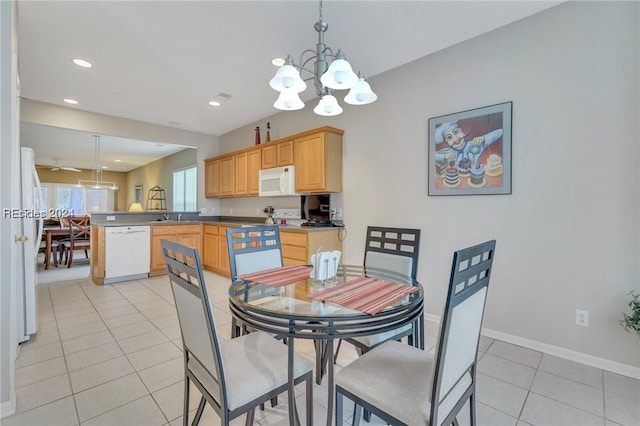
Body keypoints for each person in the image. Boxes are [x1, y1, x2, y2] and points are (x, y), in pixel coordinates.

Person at [434, 121, 503, 166]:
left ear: (461, 131)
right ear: (447, 142)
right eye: (449, 137)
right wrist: (444, 156)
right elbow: (432, 157)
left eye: (456, 132)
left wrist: (483, 138)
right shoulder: (447, 152)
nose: (455, 139)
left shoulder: (475, 145)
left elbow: (500, 131)